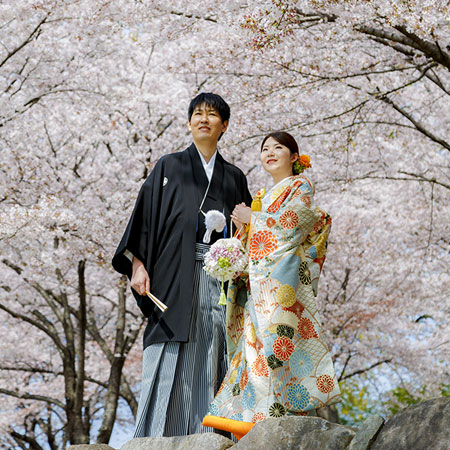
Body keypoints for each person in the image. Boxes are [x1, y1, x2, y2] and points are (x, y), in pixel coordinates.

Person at [112, 93, 252, 437]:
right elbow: (145, 218)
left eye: (213, 114)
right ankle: (160, 436)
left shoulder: (233, 176)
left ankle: (213, 435)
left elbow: (248, 235)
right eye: (198, 114)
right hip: (174, 274)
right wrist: (138, 266)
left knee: (216, 346)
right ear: (189, 123)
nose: (204, 119)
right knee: (170, 348)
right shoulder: (168, 166)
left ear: (225, 126)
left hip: (220, 280)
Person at [203, 131, 341, 439]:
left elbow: (293, 226)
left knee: (278, 349)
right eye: (265, 148)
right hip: (259, 287)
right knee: (253, 352)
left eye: (278, 148)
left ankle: (281, 422)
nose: (269, 152)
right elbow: (259, 236)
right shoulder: (265, 195)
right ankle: (254, 422)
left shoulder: (300, 187)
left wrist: (254, 218)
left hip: (281, 289)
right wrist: (238, 243)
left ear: (294, 158)